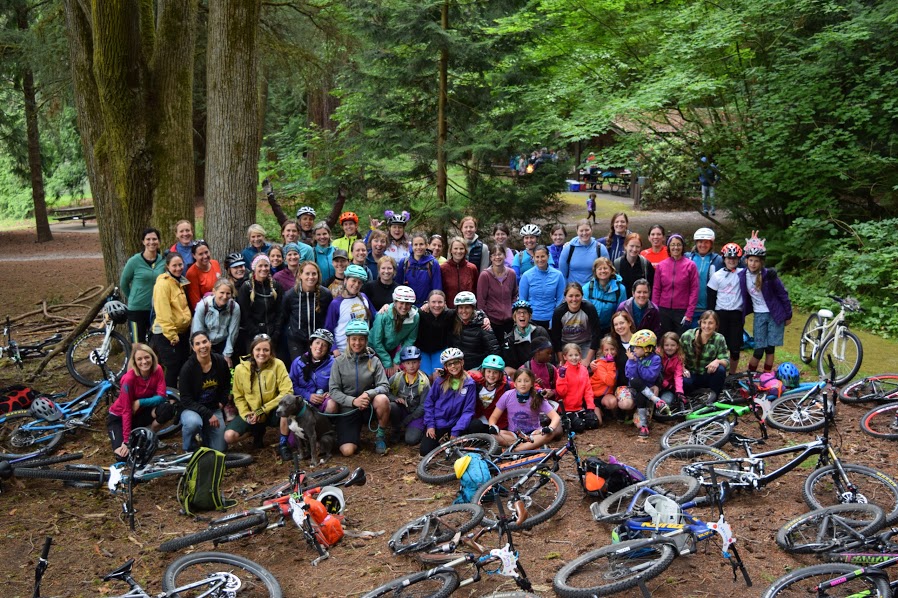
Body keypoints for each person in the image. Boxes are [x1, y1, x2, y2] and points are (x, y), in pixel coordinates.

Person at [328, 320, 392, 456]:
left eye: (361, 339)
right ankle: (339, 433)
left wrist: (368, 394)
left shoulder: (374, 360)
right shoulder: (338, 362)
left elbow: (384, 386)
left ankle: (380, 436)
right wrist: (353, 401)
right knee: (347, 451)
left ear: (366, 340)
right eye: (354, 339)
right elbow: (333, 390)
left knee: (382, 399)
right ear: (348, 340)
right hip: (348, 408)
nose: (357, 343)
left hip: (368, 406)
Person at [225, 334, 292, 449]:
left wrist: (262, 410)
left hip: (272, 410)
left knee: (287, 407)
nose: (262, 353)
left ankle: (283, 444)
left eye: (266, 350)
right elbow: (239, 396)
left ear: (271, 352)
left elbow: (287, 392)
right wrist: (247, 414)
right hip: (252, 412)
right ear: (252, 351)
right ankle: (254, 431)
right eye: (258, 349)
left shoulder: (278, 364)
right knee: (229, 436)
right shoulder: (240, 369)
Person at [738, 232, 792, 374]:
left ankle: (767, 375)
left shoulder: (769, 275)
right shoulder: (742, 275)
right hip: (759, 315)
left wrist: (788, 315)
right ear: (746, 261)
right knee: (758, 349)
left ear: (761, 262)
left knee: (770, 348)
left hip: (775, 314)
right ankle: (750, 375)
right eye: (751, 260)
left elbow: (782, 294)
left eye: (756, 261)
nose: (753, 264)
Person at [107, 344, 171, 461]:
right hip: (119, 418)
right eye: (139, 359)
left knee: (166, 409)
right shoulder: (129, 379)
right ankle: (131, 438)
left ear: (152, 357)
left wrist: (140, 402)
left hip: (139, 413)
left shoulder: (158, 370)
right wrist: (126, 441)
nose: (144, 362)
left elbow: (162, 396)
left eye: (147, 357)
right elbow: (126, 411)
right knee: (123, 457)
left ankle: (150, 437)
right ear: (135, 362)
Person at [178, 331, 230, 453]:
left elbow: (226, 385)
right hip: (192, 409)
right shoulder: (187, 368)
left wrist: (222, 402)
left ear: (210, 343)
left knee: (220, 449)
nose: (202, 346)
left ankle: (205, 437)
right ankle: (189, 450)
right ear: (193, 348)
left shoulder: (220, 361)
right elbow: (185, 399)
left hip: (213, 408)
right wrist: (208, 414)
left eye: (205, 342)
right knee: (193, 423)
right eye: (198, 344)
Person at [420, 347, 477, 455]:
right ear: (445, 367)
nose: (453, 366)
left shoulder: (469, 383)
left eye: (456, 362)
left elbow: (468, 410)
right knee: (425, 451)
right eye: (449, 364)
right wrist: (430, 425)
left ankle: (455, 439)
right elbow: (429, 403)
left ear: (462, 362)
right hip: (439, 422)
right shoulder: (440, 381)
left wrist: (456, 430)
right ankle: (443, 441)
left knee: (476, 425)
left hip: (457, 422)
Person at [487, 368, 561, 451]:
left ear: (532, 383)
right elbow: (494, 417)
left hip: (534, 434)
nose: (523, 384)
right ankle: (530, 446)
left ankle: (517, 449)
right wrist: (492, 426)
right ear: (515, 384)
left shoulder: (537, 397)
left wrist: (550, 428)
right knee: (494, 436)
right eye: (519, 381)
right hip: (513, 435)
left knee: (550, 434)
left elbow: (556, 417)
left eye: (526, 381)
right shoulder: (507, 395)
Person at [149, 252, 191, 387]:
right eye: (174, 266)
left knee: (183, 365)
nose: (178, 268)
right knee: (173, 367)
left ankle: (181, 394)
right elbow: (163, 313)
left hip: (181, 332)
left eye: (180, 265)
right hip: (166, 333)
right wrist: (172, 335)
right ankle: (169, 395)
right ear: (167, 266)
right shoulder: (163, 284)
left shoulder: (180, 282)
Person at [120, 227, 166, 343]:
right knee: (138, 345)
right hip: (137, 310)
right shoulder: (134, 261)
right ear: (143, 242)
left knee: (156, 344)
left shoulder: (163, 261)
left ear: (159, 241)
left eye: (154, 239)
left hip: (156, 310)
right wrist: (133, 297)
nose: (151, 242)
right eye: (148, 239)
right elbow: (124, 283)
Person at [282, 261, 333, 361]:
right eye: (307, 273)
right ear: (300, 275)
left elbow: (328, 317)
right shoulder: (290, 295)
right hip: (297, 341)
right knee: (300, 367)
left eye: (314, 274)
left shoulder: (325, 294)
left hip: (319, 340)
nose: (311, 277)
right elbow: (285, 316)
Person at [708, 242, 745, 374]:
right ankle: (717, 372)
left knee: (735, 348)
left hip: (736, 314)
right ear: (724, 259)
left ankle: (732, 374)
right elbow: (711, 298)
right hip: (720, 314)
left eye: (735, 258)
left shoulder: (743, 274)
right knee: (718, 346)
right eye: (729, 258)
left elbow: (755, 270)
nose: (732, 261)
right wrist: (711, 316)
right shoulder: (717, 275)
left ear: (739, 259)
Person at [653, 233, 699, 335]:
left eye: (678, 245)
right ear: (668, 247)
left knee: (680, 339)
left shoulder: (690, 266)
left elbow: (694, 290)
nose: (676, 247)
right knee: (665, 339)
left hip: (682, 310)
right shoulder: (661, 266)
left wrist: (689, 313)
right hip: (664, 310)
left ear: (682, 247)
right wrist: (655, 310)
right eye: (673, 245)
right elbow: (656, 289)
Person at [237, 254, 283, 354]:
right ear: (254, 268)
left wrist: (276, 333)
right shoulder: (246, 287)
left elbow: (280, 312)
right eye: (260, 266)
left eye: (266, 265)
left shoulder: (276, 286)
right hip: (253, 335)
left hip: (273, 334)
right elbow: (245, 315)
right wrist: (257, 334)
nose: (264, 269)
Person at [323, 264, 374, 355]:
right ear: (345, 280)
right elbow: (328, 329)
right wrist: (334, 349)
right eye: (353, 281)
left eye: (359, 282)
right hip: (343, 352)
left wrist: (385, 307)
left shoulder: (364, 297)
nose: (356, 285)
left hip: (362, 349)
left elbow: (374, 315)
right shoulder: (336, 304)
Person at [370, 286, 419, 377]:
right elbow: (376, 342)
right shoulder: (383, 315)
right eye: (401, 303)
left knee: (400, 372)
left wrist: (397, 360)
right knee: (381, 373)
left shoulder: (415, 317)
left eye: (408, 304)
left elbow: (410, 340)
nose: (404, 307)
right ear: (395, 302)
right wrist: (387, 362)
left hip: (393, 349)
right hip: (374, 349)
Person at [625, 329, 666, 439]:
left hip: (646, 389)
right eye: (634, 347)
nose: (634, 350)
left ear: (647, 348)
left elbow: (649, 376)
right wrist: (632, 362)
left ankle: (644, 426)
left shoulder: (655, 359)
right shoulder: (633, 358)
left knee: (640, 395)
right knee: (634, 380)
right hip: (635, 388)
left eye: (637, 347)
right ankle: (656, 400)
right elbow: (629, 375)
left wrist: (638, 363)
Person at [387, 346, 431, 446]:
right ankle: (397, 429)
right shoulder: (397, 378)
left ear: (419, 363)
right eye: (408, 363)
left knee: (411, 440)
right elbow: (385, 391)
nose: (411, 366)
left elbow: (424, 405)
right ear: (403, 364)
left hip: (416, 414)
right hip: (402, 410)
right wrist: (395, 398)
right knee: (393, 406)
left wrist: (409, 419)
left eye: (414, 362)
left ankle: (417, 428)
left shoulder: (424, 382)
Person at [679, 310, 729, 397]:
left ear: (716, 325)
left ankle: (714, 396)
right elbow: (677, 355)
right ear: (700, 323)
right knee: (684, 382)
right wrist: (682, 368)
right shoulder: (687, 335)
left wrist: (718, 361)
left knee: (720, 370)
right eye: (704, 322)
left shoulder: (719, 338)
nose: (706, 326)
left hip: (707, 374)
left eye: (710, 323)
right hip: (690, 373)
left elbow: (726, 361)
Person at [288, 328, 338, 415]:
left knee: (332, 405)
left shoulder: (334, 363)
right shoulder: (298, 362)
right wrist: (308, 396)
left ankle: (323, 422)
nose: (319, 347)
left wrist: (331, 393)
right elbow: (292, 385)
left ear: (328, 349)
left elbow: (339, 384)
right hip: (302, 400)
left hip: (322, 400)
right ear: (311, 345)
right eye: (317, 343)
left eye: (324, 345)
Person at [192, 278, 240, 367]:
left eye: (228, 293)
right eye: (222, 293)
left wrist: (227, 354)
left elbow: (233, 332)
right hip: (205, 343)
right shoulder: (203, 306)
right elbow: (198, 332)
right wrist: (205, 353)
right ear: (214, 291)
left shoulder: (234, 307)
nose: (225, 296)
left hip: (223, 343)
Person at [448, 291, 500, 371]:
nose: (464, 311)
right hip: (457, 367)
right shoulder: (452, 321)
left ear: (473, 308)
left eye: (467, 307)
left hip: (477, 367)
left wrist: (486, 368)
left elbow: (494, 350)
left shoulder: (483, 324)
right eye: (461, 308)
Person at [477, 243, 518, 342]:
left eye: (500, 254)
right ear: (490, 257)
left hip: (509, 321)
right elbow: (481, 300)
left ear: (504, 256)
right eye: (494, 255)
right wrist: (485, 318)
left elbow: (515, 295)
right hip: (491, 321)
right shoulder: (485, 275)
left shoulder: (511, 274)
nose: (497, 257)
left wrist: (512, 311)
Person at [551, 282, 600, 364]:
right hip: (565, 344)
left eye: (577, 295)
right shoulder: (559, 312)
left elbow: (596, 334)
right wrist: (561, 361)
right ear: (565, 297)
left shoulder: (589, 308)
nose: (574, 299)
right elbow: (556, 338)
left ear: (582, 296)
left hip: (585, 343)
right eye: (570, 296)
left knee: (587, 368)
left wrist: (587, 360)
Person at [519, 245, 565, 329]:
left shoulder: (558, 275)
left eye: (543, 256)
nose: (540, 260)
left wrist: (555, 318)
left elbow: (560, 299)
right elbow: (523, 300)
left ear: (548, 256)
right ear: (533, 257)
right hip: (532, 319)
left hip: (552, 317)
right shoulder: (526, 275)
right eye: (537, 257)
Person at [556, 343, 601, 428]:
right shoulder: (562, 371)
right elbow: (561, 393)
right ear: (565, 357)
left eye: (576, 355)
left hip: (579, 408)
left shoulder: (583, 370)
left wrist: (590, 408)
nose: (574, 358)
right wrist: (562, 377)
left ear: (580, 355)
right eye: (570, 355)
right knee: (579, 426)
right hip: (566, 409)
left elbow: (588, 390)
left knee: (593, 423)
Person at [465, 354, 512, 434]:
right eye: (489, 371)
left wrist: (536, 389)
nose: (491, 375)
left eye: (495, 372)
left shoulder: (506, 385)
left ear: (500, 374)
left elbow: (520, 385)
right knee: (473, 425)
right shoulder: (478, 381)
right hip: (478, 421)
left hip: (498, 424)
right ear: (484, 371)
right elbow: (462, 374)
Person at [501, 300, 550, 375]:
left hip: (540, 370)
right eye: (519, 313)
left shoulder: (540, 332)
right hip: (520, 374)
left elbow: (549, 356)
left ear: (530, 316)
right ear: (514, 317)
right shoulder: (509, 339)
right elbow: (510, 363)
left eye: (525, 312)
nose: (522, 315)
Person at [685, 228, 724, 321]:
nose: (703, 245)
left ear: (711, 244)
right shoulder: (687, 257)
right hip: (689, 307)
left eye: (706, 242)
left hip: (708, 307)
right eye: (700, 242)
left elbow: (736, 263)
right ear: (696, 243)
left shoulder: (718, 260)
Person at [583, 257, 627, 336]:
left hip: (611, 329)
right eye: (599, 269)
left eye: (605, 268)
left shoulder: (620, 289)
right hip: (590, 328)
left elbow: (621, 312)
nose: (603, 271)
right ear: (595, 271)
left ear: (611, 270)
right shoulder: (587, 288)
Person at [396, 233, 442, 308]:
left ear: (426, 245)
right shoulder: (404, 263)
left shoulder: (433, 263)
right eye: (416, 244)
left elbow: (437, 288)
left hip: (426, 307)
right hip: (406, 306)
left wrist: (430, 304)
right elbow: (397, 285)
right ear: (411, 246)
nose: (418, 247)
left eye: (421, 244)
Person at [559, 220, 610, 285]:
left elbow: (606, 271)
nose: (584, 233)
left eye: (587, 230)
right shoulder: (568, 249)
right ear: (577, 231)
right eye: (581, 231)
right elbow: (563, 274)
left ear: (591, 230)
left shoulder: (600, 248)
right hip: (574, 289)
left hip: (593, 289)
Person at [607, 310, 637, 417]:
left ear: (629, 323)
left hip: (643, 385)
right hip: (623, 386)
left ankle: (641, 408)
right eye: (616, 324)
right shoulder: (614, 344)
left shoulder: (640, 341)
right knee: (626, 404)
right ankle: (629, 411)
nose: (619, 327)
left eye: (622, 323)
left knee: (641, 423)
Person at [613, 233, 654, 300]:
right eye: (631, 246)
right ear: (625, 246)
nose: (634, 249)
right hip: (622, 302)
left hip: (641, 302)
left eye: (637, 247)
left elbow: (651, 286)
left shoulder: (645, 264)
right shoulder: (617, 264)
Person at [440, 237, 478, 308]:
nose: (458, 251)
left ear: (465, 250)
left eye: (461, 248)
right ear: (451, 250)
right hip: (449, 309)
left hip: (467, 310)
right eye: (455, 248)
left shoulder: (472, 268)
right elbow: (440, 290)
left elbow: (476, 289)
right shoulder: (443, 268)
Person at [185, 240, 222, 310]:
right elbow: (195, 302)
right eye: (200, 254)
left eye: (206, 252)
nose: (205, 256)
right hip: (205, 309)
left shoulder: (215, 263)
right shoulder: (191, 273)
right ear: (194, 256)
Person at [589, 337, 618, 422]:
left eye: (612, 349)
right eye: (606, 350)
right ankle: (598, 410)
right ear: (602, 351)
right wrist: (611, 364)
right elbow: (610, 381)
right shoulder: (599, 364)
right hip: (594, 397)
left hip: (606, 395)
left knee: (612, 402)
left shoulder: (617, 361)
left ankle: (605, 411)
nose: (610, 352)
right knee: (598, 422)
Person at [657, 332, 686, 409]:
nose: (669, 348)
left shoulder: (678, 358)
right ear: (662, 345)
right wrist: (665, 383)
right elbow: (655, 372)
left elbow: (678, 375)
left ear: (677, 346)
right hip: (656, 384)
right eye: (666, 345)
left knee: (666, 402)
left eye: (673, 345)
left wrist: (679, 392)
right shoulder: (657, 354)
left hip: (668, 387)